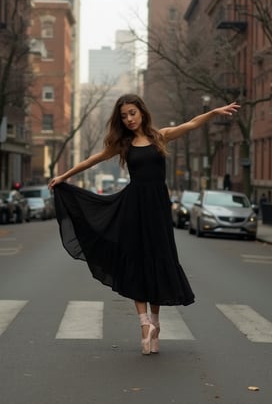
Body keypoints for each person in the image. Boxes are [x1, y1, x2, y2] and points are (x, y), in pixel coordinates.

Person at [48, 94, 240, 355]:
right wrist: (63, 176)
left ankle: (154, 325)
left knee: (158, 260)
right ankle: (145, 325)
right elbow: (92, 160)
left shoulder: (160, 136)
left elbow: (192, 123)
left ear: (142, 112)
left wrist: (215, 113)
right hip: (133, 207)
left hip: (158, 209)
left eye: (132, 113)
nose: (128, 119)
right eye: (124, 115)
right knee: (135, 261)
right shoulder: (123, 145)